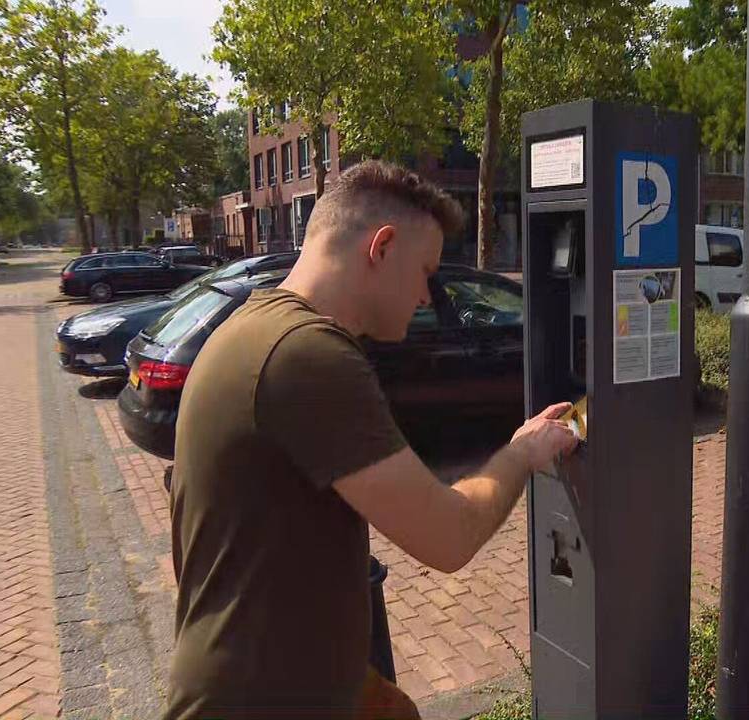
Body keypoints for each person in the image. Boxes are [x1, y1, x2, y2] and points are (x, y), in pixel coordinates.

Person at [164, 160, 578, 720]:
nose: (429, 296)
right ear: (381, 247)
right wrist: (523, 451)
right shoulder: (308, 356)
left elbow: (250, 551)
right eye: (426, 271)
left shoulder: (250, 328)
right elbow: (449, 536)